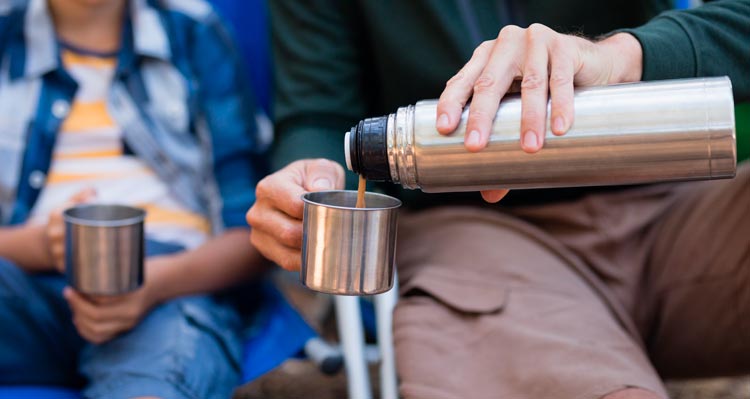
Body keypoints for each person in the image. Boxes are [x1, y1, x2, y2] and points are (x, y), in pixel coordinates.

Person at [248, 1, 749, 398]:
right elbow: (317, 113)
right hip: (474, 240)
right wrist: (312, 175)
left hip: (683, 216)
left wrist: (620, 56)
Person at [0, 0, 266, 397]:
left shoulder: (192, 32)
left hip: (171, 286)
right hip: (26, 284)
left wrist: (155, 284)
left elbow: (254, 234)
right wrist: (41, 245)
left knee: (154, 379)